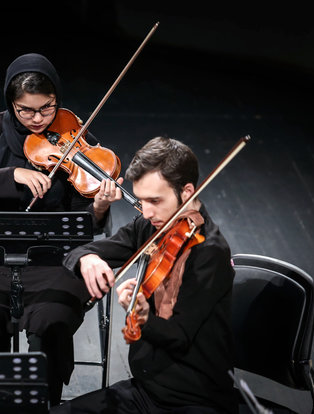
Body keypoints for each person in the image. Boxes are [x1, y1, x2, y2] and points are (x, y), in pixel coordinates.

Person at [0, 53, 122, 406]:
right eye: (24, 110)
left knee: (52, 317)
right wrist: (12, 174)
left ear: (56, 98)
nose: (37, 119)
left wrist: (100, 207)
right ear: (11, 104)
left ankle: (42, 400)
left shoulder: (74, 132)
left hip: (57, 258)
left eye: (46, 108)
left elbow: (84, 223)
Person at [55, 136, 237, 413]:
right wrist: (88, 258)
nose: (147, 212)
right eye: (141, 200)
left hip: (193, 399)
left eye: (155, 200)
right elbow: (76, 253)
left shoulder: (209, 252)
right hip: (145, 390)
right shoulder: (151, 225)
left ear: (187, 192)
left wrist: (143, 319)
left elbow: (178, 336)